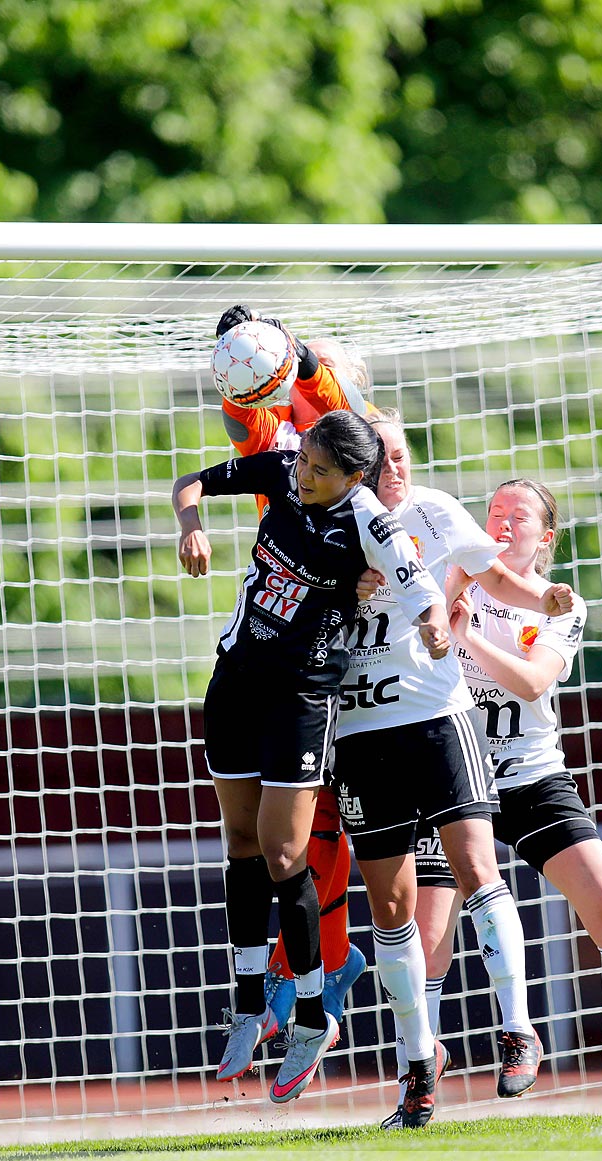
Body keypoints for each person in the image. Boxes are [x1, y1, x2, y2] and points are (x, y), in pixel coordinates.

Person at [172, 410, 449, 1104]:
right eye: (302, 464)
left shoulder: (369, 522)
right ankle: (245, 1004)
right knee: (239, 841)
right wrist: (190, 525)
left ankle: (306, 1015)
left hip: (302, 701)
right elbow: (190, 483)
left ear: (356, 476)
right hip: (234, 682)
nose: (303, 475)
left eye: (320, 471)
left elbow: (417, 585)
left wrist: (435, 620)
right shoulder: (287, 473)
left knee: (282, 852)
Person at [413, 478, 602, 1120]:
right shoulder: (452, 576)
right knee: (426, 935)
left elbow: (533, 680)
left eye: (518, 517)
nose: (501, 524)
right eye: (492, 513)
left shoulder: (560, 605)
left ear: (545, 537)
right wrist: (454, 587)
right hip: (455, 782)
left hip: (532, 779)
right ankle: (422, 1082)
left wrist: (469, 640)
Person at [330, 413, 576, 1129]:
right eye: (386, 461)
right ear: (358, 470)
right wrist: (350, 591)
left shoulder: (434, 512)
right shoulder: (330, 526)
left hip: (439, 719)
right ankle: (418, 1068)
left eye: (405, 456)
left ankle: (518, 1027)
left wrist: (541, 599)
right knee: (394, 911)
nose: (399, 471)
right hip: (362, 731)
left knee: (477, 868)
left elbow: (495, 571)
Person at [212, 307, 370, 1032]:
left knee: (336, 832)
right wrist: (237, 357)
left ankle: (329, 968)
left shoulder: (353, 442)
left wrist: (302, 353)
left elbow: (333, 399)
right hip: (289, 646)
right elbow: (240, 416)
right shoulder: (281, 453)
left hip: (366, 651)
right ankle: (309, 972)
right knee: (294, 833)